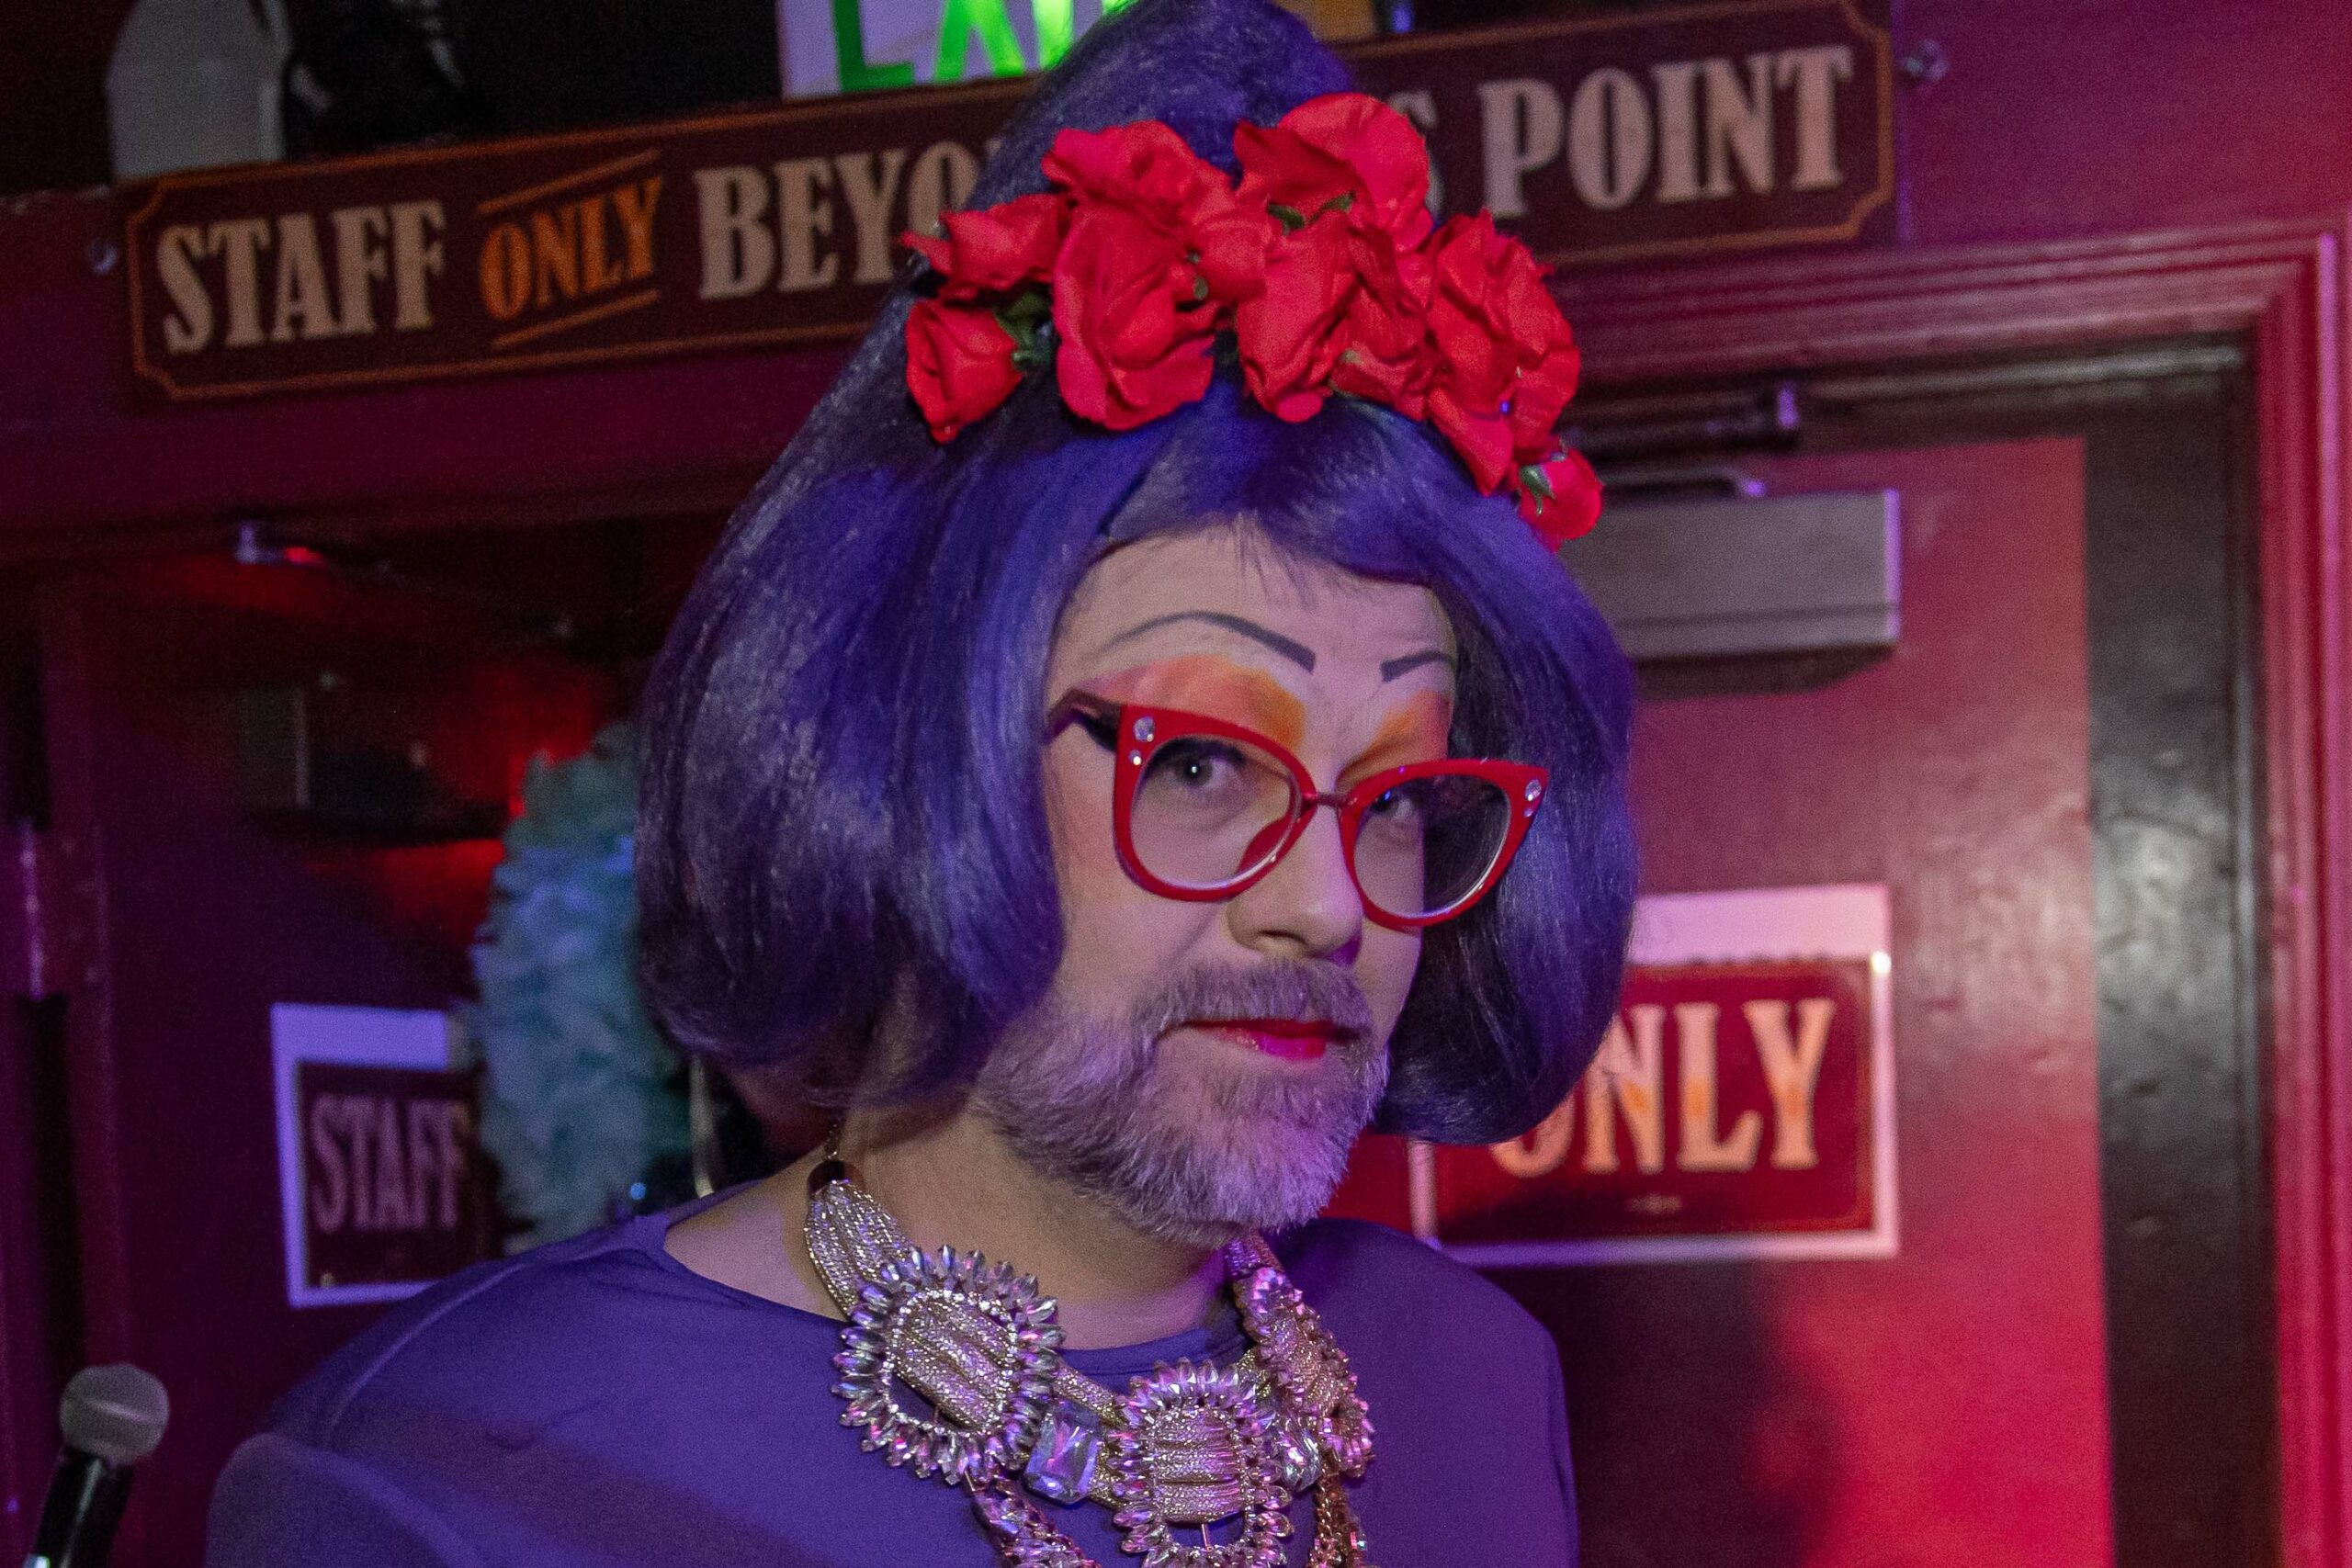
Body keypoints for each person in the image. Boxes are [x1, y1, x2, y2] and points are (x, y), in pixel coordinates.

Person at [204, 0, 1634, 1561]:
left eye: (1399, 797)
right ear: (907, 758)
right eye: (1201, 760)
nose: (1326, 904)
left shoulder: (1469, 1384)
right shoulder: (464, 1475)